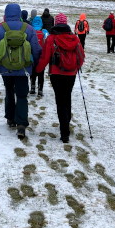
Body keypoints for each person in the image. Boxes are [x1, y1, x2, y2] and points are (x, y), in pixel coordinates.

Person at [0, 3, 42, 139]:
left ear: (6, 14)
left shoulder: (0, 29)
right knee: (22, 95)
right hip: (23, 69)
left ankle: (10, 119)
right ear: (18, 14)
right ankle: (21, 125)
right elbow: (36, 49)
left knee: (9, 92)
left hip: (6, 69)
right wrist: (35, 67)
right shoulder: (28, 28)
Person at [35, 13, 85, 143]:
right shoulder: (74, 38)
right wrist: (77, 66)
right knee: (67, 98)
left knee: (60, 100)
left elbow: (45, 57)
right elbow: (81, 55)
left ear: (55, 23)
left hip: (56, 74)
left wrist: (37, 70)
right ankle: (66, 125)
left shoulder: (51, 38)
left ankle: (64, 132)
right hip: (71, 74)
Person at [29, 15, 49, 97]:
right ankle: (40, 89)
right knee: (41, 73)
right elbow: (48, 42)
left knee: (32, 73)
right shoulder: (44, 31)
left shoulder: (30, 31)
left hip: (32, 56)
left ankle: (32, 87)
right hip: (42, 57)